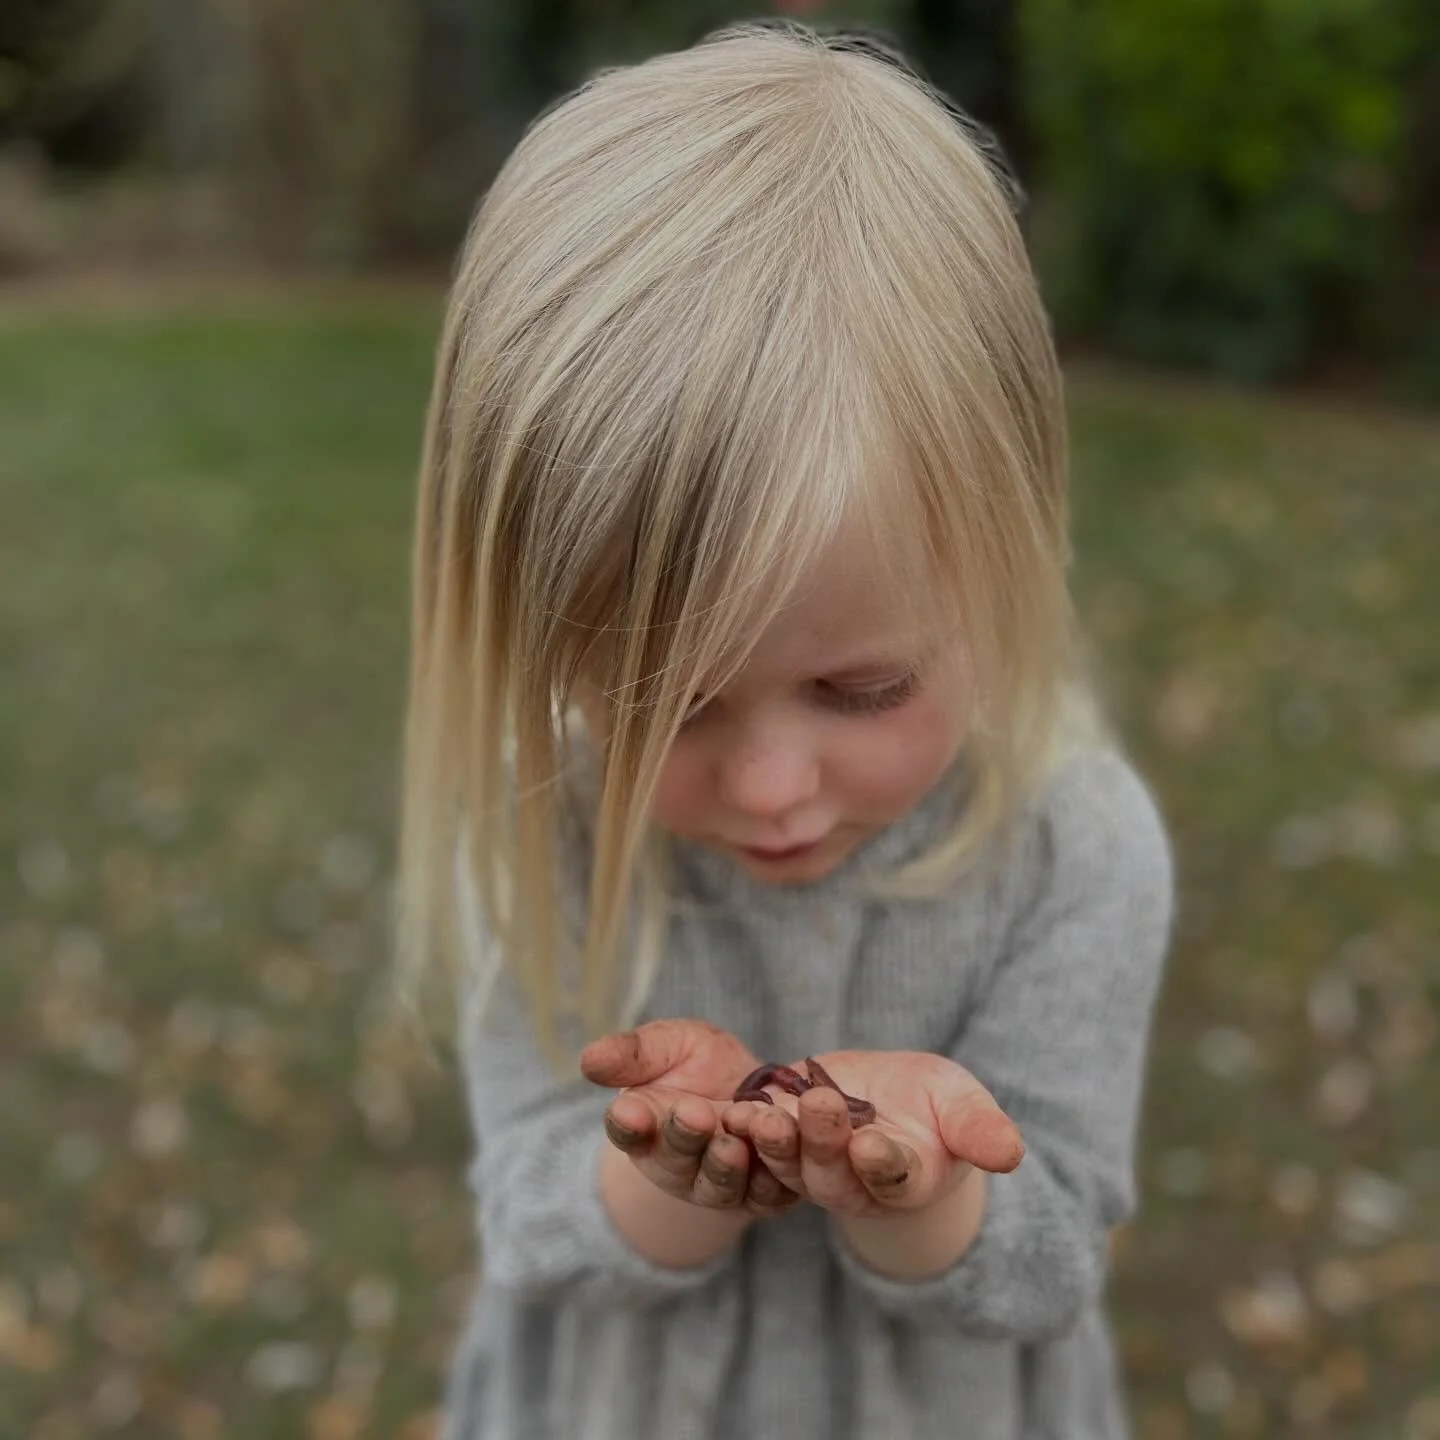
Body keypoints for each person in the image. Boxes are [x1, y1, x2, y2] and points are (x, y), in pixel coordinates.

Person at [397, 20, 1174, 1440]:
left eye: (863, 692)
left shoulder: (1078, 846)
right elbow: (528, 1212)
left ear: (1013, 555)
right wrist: (673, 1176)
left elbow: (1051, 1254)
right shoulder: (534, 825)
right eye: (659, 708)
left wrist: (918, 1184)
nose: (768, 786)